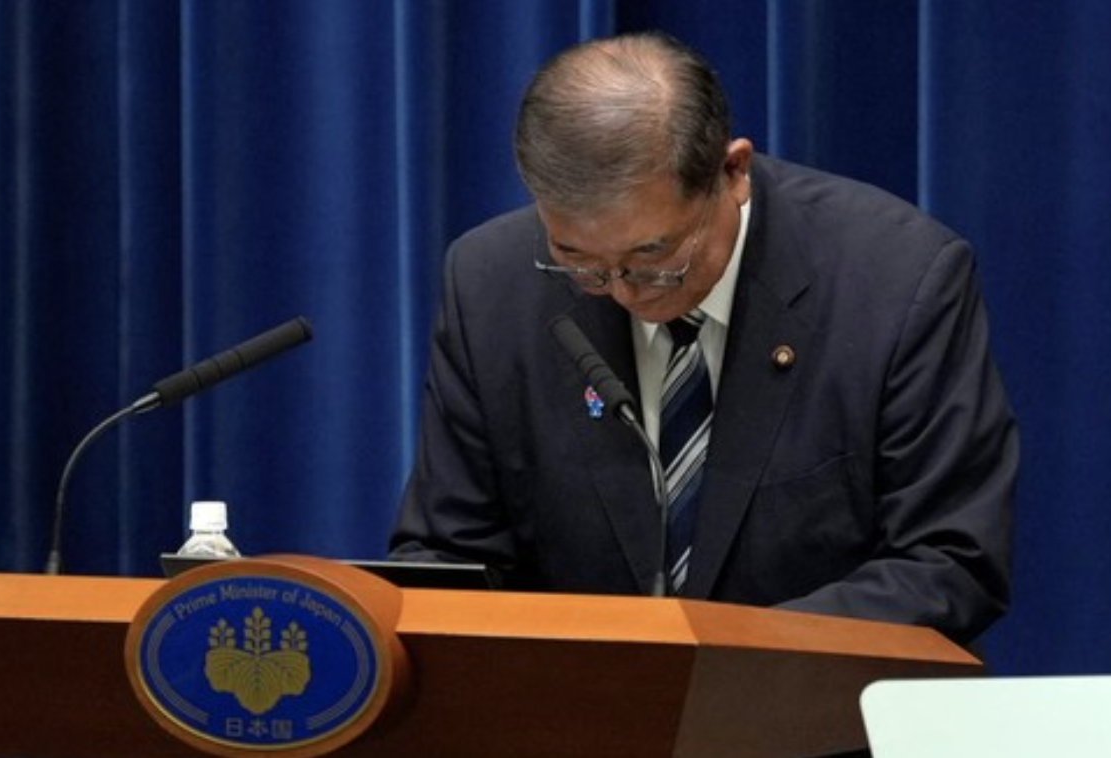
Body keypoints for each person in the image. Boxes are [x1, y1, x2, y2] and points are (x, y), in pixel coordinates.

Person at [389, 31, 1016, 647]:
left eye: (653, 256)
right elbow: (450, 556)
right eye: (577, 260)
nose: (621, 291)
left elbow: (948, 561)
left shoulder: (896, 279)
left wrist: (725, 661)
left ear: (733, 172)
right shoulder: (491, 283)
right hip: (575, 705)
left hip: (817, 706)